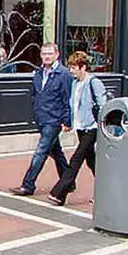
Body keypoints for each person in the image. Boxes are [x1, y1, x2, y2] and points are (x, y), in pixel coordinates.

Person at [9, 43, 72, 197]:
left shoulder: (64, 74)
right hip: (41, 119)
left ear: (57, 54)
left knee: (41, 152)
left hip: (54, 120)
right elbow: (35, 95)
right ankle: (69, 181)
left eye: (50, 53)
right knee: (57, 152)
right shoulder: (39, 73)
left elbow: (67, 99)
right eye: (44, 54)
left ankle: (28, 185)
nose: (47, 57)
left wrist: (67, 120)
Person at [47, 51, 107, 206]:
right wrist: (69, 123)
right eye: (70, 67)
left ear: (83, 67)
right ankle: (107, 190)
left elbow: (102, 105)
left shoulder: (94, 83)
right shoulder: (75, 84)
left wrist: (102, 126)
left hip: (92, 127)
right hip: (80, 127)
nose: (71, 70)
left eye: (74, 67)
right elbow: (72, 105)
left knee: (76, 159)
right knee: (91, 161)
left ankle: (59, 193)